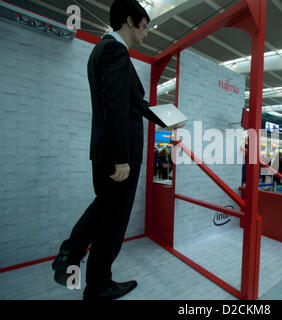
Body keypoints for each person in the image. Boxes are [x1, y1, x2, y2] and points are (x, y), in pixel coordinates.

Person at [51, 0, 183, 300]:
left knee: (108, 216)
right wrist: (122, 158)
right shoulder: (114, 51)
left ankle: (98, 283)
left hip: (108, 153)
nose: (146, 34)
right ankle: (72, 254)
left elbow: (134, 103)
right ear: (129, 21)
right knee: (112, 215)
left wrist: (168, 119)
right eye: (144, 26)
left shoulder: (108, 52)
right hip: (117, 157)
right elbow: (113, 108)